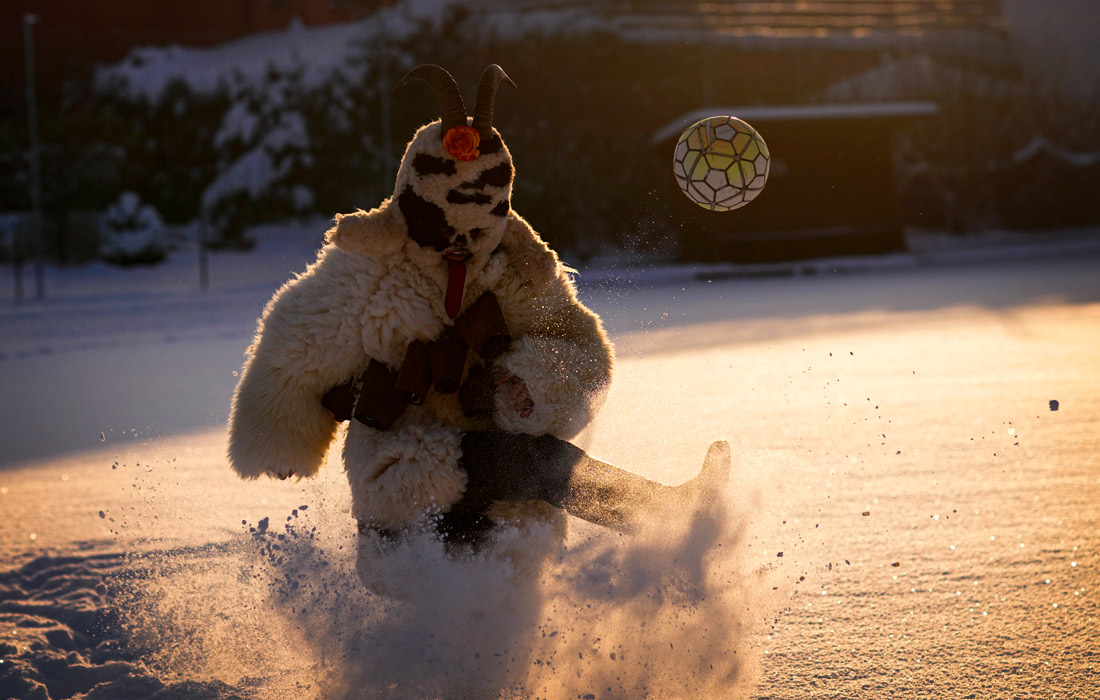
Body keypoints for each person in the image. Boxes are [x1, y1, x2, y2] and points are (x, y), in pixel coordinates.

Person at [226, 64, 729, 552]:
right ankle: (664, 515)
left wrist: (523, 385)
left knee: (516, 526)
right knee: (535, 465)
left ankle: (654, 536)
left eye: (478, 226)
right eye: (447, 225)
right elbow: (292, 351)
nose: (461, 245)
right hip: (404, 479)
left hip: (500, 501)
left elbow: (584, 352)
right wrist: (280, 441)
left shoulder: (516, 270)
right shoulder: (367, 271)